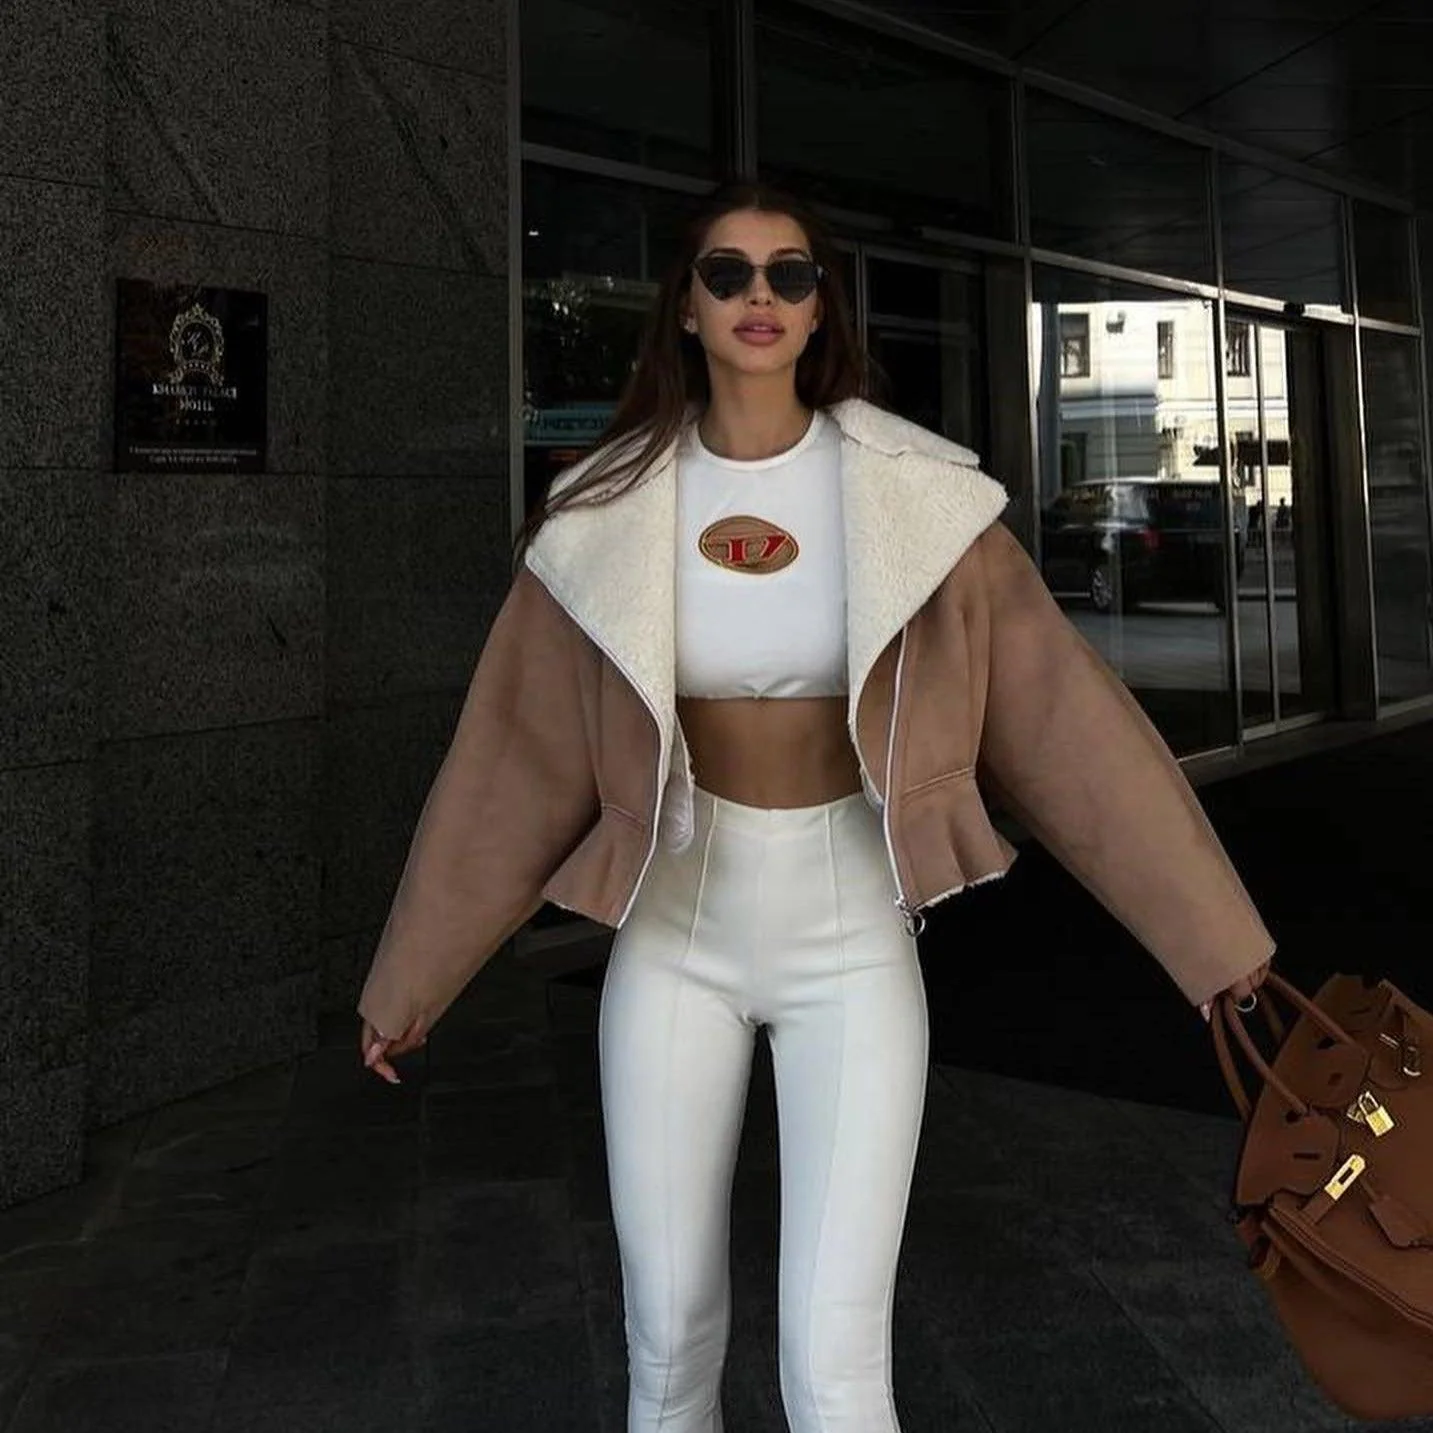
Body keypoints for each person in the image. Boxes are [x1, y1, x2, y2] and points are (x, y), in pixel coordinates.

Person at [354, 179, 1274, 1432]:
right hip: (673, 937)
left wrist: (1212, 941)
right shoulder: (604, 512)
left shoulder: (917, 497)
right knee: (667, 1343)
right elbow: (509, 759)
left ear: (818, 306)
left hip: (851, 941)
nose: (759, 297)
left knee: (836, 1365)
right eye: (726, 273)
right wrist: (409, 977)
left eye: (788, 274)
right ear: (685, 307)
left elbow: (1067, 727)